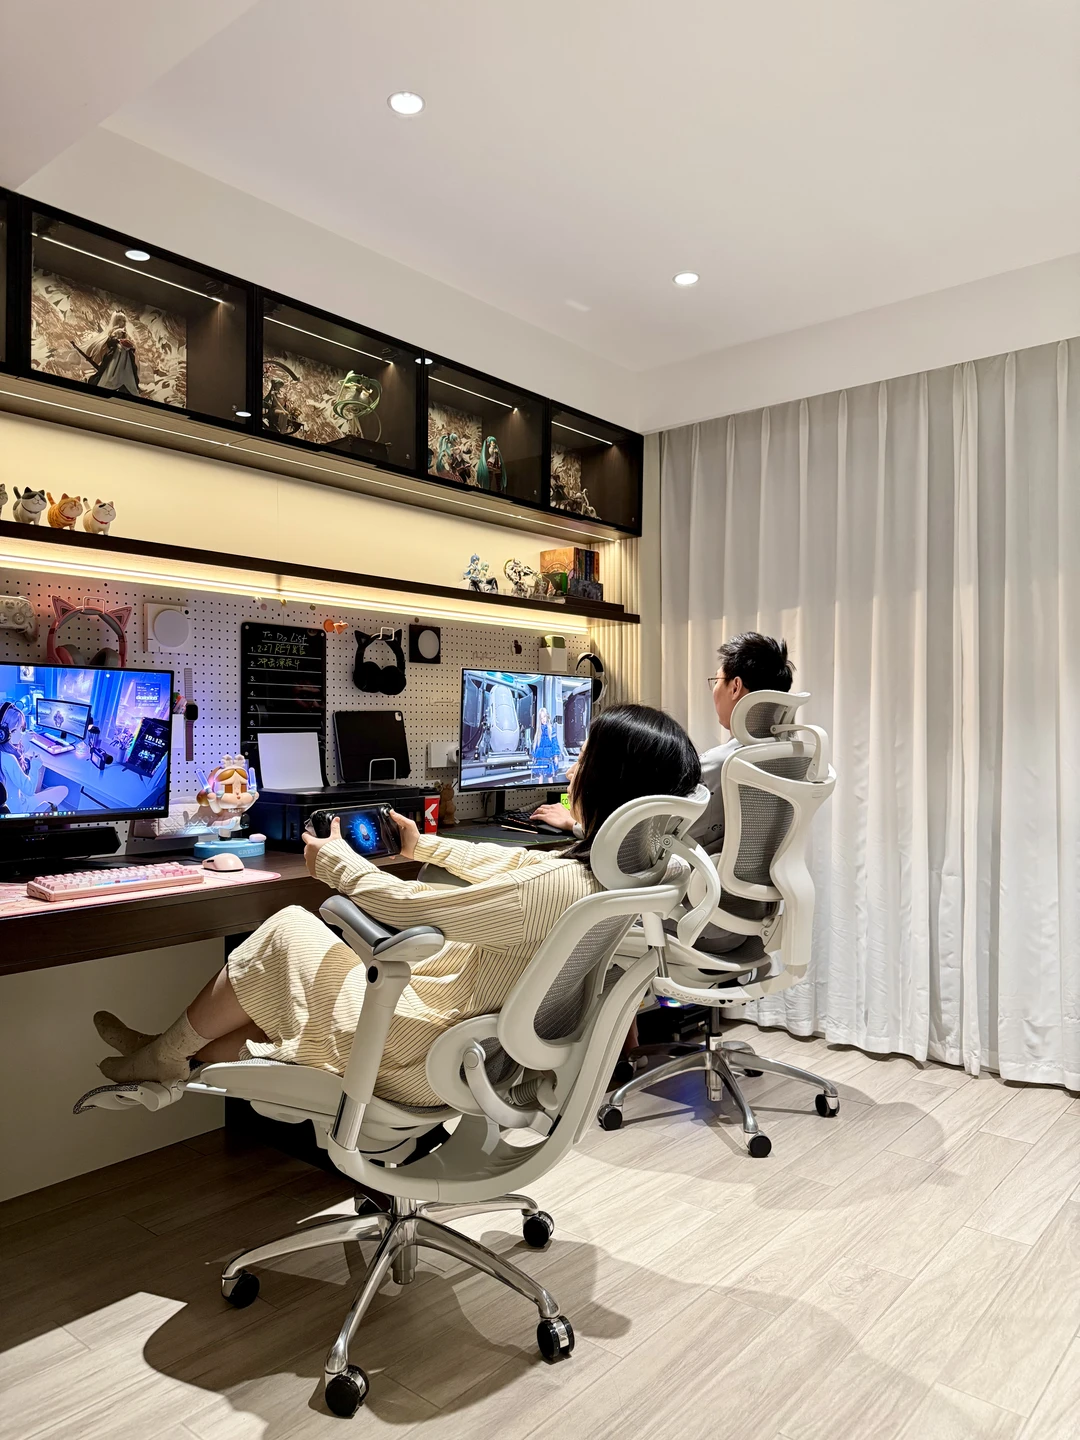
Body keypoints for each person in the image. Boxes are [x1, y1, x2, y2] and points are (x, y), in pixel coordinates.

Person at [93, 704, 702, 1102]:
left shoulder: (559, 889)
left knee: (287, 931)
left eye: (584, 757)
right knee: (282, 995)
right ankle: (166, 1057)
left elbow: (409, 907)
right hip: (478, 1052)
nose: (572, 769)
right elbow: (514, 866)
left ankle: (162, 1053)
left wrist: (338, 863)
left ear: (607, 782)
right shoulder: (622, 876)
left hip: (425, 1053)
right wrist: (425, 845)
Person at [531, 632, 794, 952]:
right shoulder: (788, 758)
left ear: (735, 687)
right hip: (747, 921)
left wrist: (577, 823)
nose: (714, 690)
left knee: (553, 912)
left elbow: (646, 842)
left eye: (717, 680)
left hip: (695, 920)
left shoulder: (722, 766)